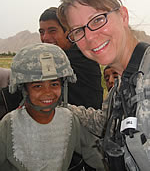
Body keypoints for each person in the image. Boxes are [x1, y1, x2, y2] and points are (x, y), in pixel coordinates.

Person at [57, 0, 150, 170]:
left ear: (123, 16)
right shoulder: (122, 85)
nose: (89, 37)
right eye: (78, 31)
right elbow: (105, 122)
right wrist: (59, 106)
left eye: (98, 20)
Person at [0, 43, 105, 171]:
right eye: (37, 86)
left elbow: (94, 154)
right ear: (24, 89)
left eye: (54, 84)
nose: (48, 92)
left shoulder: (70, 120)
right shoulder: (8, 124)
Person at [39, 7, 103, 110]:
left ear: (70, 33)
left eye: (52, 31)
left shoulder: (80, 56)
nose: (45, 37)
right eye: (42, 32)